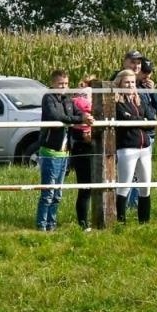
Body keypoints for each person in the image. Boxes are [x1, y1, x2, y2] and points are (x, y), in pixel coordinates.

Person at [37, 69, 88, 231]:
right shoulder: (48, 98)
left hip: (65, 151)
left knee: (58, 193)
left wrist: (83, 116)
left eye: (66, 84)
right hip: (51, 150)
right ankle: (42, 225)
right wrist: (80, 119)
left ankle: (52, 224)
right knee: (48, 192)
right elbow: (56, 116)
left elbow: (77, 111)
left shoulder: (67, 99)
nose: (63, 87)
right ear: (52, 83)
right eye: (60, 84)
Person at [112, 69, 153, 223]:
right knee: (125, 185)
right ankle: (120, 221)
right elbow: (126, 120)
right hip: (128, 147)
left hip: (145, 147)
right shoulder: (117, 102)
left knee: (145, 185)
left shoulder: (139, 100)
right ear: (120, 83)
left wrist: (140, 121)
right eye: (127, 82)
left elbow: (151, 119)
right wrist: (141, 121)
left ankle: (144, 221)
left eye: (132, 82)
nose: (130, 85)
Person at [69, 75, 100, 229]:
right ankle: (85, 223)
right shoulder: (89, 95)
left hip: (79, 143)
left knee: (85, 187)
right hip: (86, 142)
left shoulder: (77, 95)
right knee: (88, 187)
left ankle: (84, 223)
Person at [134, 61, 157, 212]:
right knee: (134, 172)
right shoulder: (133, 88)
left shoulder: (147, 89)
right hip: (138, 133)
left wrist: (153, 92)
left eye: (149, 73)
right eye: (144, 73)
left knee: (143, 173)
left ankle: (137, 203)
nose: (147, 76)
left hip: (150, 134)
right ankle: (132, 204)